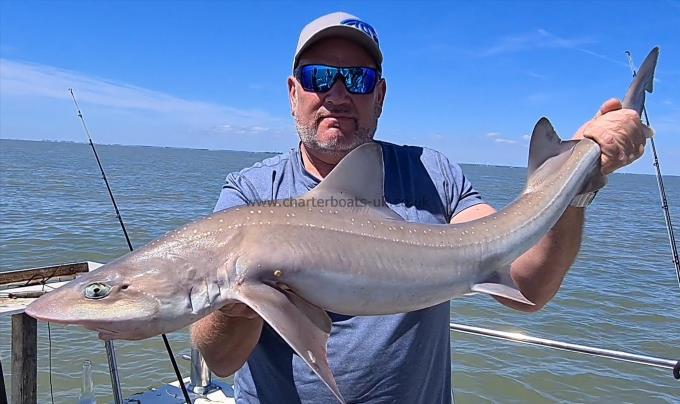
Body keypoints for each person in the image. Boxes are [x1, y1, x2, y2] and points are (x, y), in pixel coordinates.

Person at [192, 11, 648, 403]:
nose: (336, 93)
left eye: (357, 78)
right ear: (293, 93)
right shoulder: (251, 194)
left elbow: (529, 286)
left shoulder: (432, 174)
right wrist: (237, 300)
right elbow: (221, 359)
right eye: (317, 77)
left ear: (380, 96)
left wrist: (579, 183)